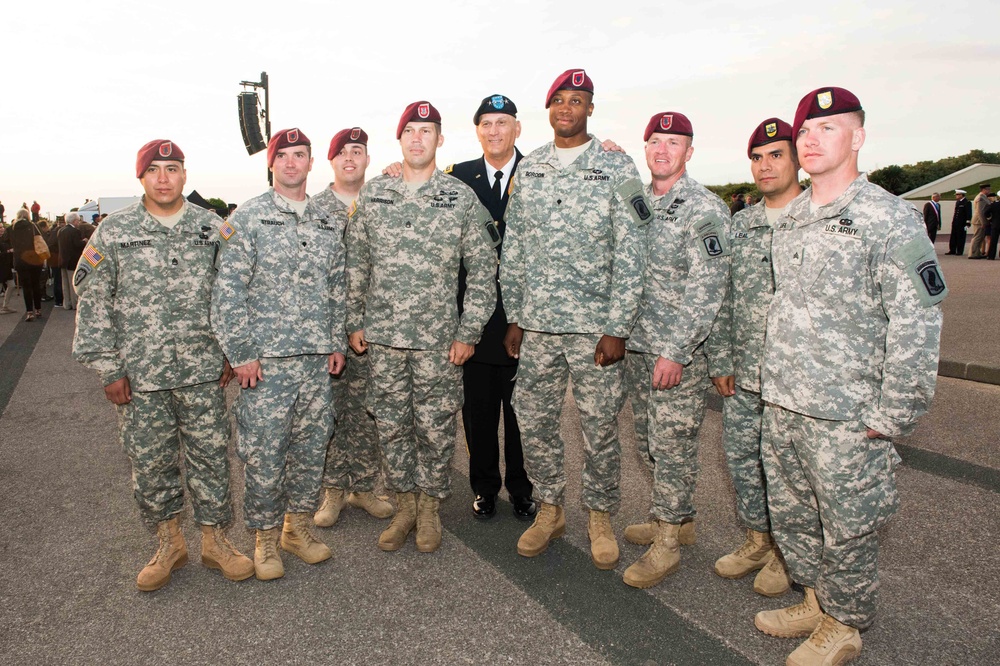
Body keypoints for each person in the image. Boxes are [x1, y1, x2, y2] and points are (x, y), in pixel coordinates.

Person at [755, 87, 945, 666]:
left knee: (848, 525)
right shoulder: (791, 220)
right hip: (785, 400)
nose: (811, 139)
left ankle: (844, 624)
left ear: (858, 137)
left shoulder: (889, 219)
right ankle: (816, 600)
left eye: (829, 128)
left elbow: (918, 319)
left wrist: (893, 416)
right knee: (793, 516)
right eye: (805, 131)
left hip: (848, 413)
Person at [72, 139, 253, 591]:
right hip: (141, 377)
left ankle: (215, 541)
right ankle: (169, 542)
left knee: (211, 457)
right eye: (154, 170)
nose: (164, 177)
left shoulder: (212, 228)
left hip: (201, 372)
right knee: (151, 463)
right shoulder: (115, 232)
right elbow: (91, 298)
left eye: (172, 168)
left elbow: (232, 294)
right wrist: (109, 368)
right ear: (142, 178)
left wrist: (231, 350)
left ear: (185, 175)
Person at [500, 69, 649, 570]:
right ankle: (550, 508)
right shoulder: (532, 167)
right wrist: (515, 316)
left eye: (578, 100)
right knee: (535, 420)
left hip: (594, 329)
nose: (567, 108)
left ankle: (601, 516)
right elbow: (514, 246)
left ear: (591, 108)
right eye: (560, 100)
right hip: (538, 326)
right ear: (549, 110)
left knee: (600, 425)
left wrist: (618, 327)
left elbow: (633, 249)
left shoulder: (616, 164)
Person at [346, 101, 497, 554]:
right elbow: (357, 261)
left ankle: (429, 507)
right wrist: (354, 320)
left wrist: (469, 332)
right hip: (384, 339)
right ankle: (405, 504)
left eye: (426, 131)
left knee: (434, 427)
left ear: (440, 140)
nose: (417, 138)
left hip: (437, 342)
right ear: (400, 139)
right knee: (391, 425)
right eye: (410, 130)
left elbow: (484, 268)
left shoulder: (459, 198)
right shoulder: (375, 194)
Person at [212, 128, 347, 580]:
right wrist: (241, 352)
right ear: (271, 164)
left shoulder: (329, 219)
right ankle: (265, 539)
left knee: (312, 448)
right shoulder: (247, 218)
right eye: (283, 155)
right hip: (265, 364)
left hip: (316, 362)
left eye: (300, 155)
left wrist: (336, 341)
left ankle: (297, 528)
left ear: (312, 163)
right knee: (265, 452)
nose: (292, 163)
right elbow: (227, 292)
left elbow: (337, 285)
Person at [618, 111, 730, 589]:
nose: (663, 150)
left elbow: (708, 287)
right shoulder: (636, 201)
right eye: (655, 142)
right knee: (648, 443)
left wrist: (677, 351)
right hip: (638, 350)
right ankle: (678, 517)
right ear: (645, 149)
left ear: (689, 151)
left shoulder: (705, 208)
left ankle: (666, 543)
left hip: (676, 356)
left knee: (673, 447)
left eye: (674, 142)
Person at [705, 118, 801, 598]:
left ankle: (790, 554)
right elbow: (722, 298)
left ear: (797, 158)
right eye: (758, 158)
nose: (765, 166)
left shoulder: (814, 218)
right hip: (744, 374)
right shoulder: (740, 225)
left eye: (776, 155)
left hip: (798, 383)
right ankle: (758, 540)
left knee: (790, 475)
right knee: (743, 460)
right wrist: (720, 358)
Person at [443, 94, 536, 522]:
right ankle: (484, 487)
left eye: (502, 123)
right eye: (486, 124)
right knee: (478, 413)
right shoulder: (457, 178)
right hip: (475, 318)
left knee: (523, 414)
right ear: (477, 131)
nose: (494, 131)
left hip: (527, 319)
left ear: (517, 128)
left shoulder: (539, 174)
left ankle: (522, 488)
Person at [311, 127, 395, 527]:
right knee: (328, 411)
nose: (350, 158)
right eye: (342, 152)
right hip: (325, 331)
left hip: (372, 328)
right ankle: (332, 490)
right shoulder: (312, 209)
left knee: (365, 410)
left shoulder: (383, 201)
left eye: (358, 151)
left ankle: (363, 486)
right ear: (331, 161)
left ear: (367, 159)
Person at [10, 208, 44, 321]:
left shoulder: (12, 228)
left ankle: (29, 312)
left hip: (20, 260)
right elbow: (42, 239)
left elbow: (6, 242)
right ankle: (38, 309)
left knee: (26, 287)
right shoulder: (33, 226)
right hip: (34, 259)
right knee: (36, 284)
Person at [58, 213, 86, 310]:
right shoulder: (75, 231)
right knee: (73, 283)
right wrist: (84, 241)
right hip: (72, 260)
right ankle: (75, 304)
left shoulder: (61, 230)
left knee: (65, 284)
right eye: (78, 220)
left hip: (62, 260)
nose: (79, 222)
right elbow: (77, 244)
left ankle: (67, 303)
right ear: (74, 221)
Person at [969, 182, 991, 258]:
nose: (989, 191)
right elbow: (980, 211)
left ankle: (976, 253)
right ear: (984, 189)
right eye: (988, 189)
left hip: (979, 220)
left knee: (980, 237)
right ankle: (973, 254)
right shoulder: (981, 198)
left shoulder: (983, 197)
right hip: (979, 221)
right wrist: (983, 222)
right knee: (977, 237)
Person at [948, 189, 971, 255]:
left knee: (960, 237)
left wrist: (968, 222)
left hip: (962, 222)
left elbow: (968, 213)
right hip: (956, 222)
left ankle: (959, 250)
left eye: (958, 194)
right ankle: (952, 250)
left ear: (962, 195)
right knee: (953, 236)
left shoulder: (967, 202)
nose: (956, 196)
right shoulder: (958, 202)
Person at [0, 222, 15, 314]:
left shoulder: (4, 239)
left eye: (2, 227)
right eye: (0, 227)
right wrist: (9, 251)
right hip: (1, 267)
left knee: (12, 285)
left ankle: (6, 305)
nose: (2, 229)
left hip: (6, 266)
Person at [986, 194, 1000, 260]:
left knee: (993, 241)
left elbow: (986, 212)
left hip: (995, 224)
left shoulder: (994, 204)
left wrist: (990, 219)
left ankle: (991, 256)